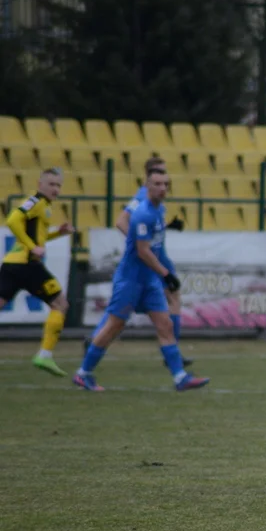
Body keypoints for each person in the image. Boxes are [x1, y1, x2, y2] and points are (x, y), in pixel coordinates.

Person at [73, 168, 209, 392]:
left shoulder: (158, 211)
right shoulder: (143, 213)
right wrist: (167, 274)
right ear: (147, 186)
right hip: (131, 280)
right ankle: (83, 374)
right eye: (157, 184)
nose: (162, 188)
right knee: (114, 326)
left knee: (164, 325)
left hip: (149, 281)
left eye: (166, 184)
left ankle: (180, 378)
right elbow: (143, 251)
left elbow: (151, 240)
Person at [85, 156, 190, 366]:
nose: (163, 184)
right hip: (149, 259)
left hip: (158, 254)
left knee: (164, 299)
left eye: (165, 179)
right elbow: (122, 221)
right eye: (159, 177)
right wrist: (138, 243)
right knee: (123, 309)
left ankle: (173, 355)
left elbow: (150, 227)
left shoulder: (156, 200)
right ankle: (172, 354)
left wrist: (168, 226)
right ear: (150, 176)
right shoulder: (143, 196)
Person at [0, 168, 75, 376]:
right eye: (51, 184)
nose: (55, 189)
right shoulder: (36, 201)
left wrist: (58, 234)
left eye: (58, 185)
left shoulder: (44, 206)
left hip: (11, 264)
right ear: (40, 184)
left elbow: (38, 239)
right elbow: (13, 220)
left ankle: (45, 355)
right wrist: (31, 247)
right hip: (27, 264)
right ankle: (45, 355)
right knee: (60, 304)